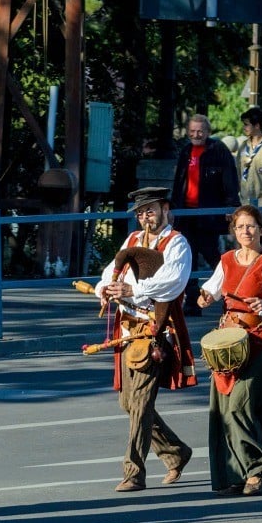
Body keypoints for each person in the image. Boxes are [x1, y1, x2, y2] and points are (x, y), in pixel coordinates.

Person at [95, 187, 197, 492]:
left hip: (156, 330)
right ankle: (176, 452)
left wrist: (133, 291)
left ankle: (133, 472)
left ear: (166, 208)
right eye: (140, 213)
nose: (145, 217)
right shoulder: (132, 240)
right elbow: (112, 271)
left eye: (150, 210)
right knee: (128, 402)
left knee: (139, 402)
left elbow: (173, 283)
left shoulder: (177, 243)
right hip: (128, 329)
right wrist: (106, 287)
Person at [198, 206, 262, 496]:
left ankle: (258, 466)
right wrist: (204, 298)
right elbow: (211, 292)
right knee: (223, 411)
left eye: (251, 226)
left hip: (258, 342)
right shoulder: (227, 260)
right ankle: (236, 473)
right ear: (234, 231)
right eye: (240, 227)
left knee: (241, 407)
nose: (246, 232)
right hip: (228, 344)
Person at [171, 114, 241, 316]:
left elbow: (230, 179)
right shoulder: (185, 151)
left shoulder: (218, 150)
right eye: (192, 131)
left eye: (200, 131)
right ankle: (192, 302)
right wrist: (173, 209)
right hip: (186, 213)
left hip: (208, 212)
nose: (196, 135)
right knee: (188, 258)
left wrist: (231, 206)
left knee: (213, 256)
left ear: (208, 132)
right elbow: (179, 182)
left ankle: (232, 294)